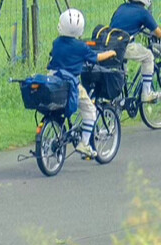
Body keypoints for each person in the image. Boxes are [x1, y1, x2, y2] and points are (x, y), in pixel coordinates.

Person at [47, 8, 115, 156]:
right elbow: (96, 58)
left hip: (53, 79)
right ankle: (84, 144)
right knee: (90, 111)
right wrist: (110, 53)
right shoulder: (81, 47)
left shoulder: (56, 42)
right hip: (70, 83)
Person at [106, 0, 161, 103]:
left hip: (110, 45)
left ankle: (119, 98)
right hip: (125, 46)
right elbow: (157, 32)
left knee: (122, 69)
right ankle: (147, 93)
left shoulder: (121, 8)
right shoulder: (143, 13)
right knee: (148, 56)